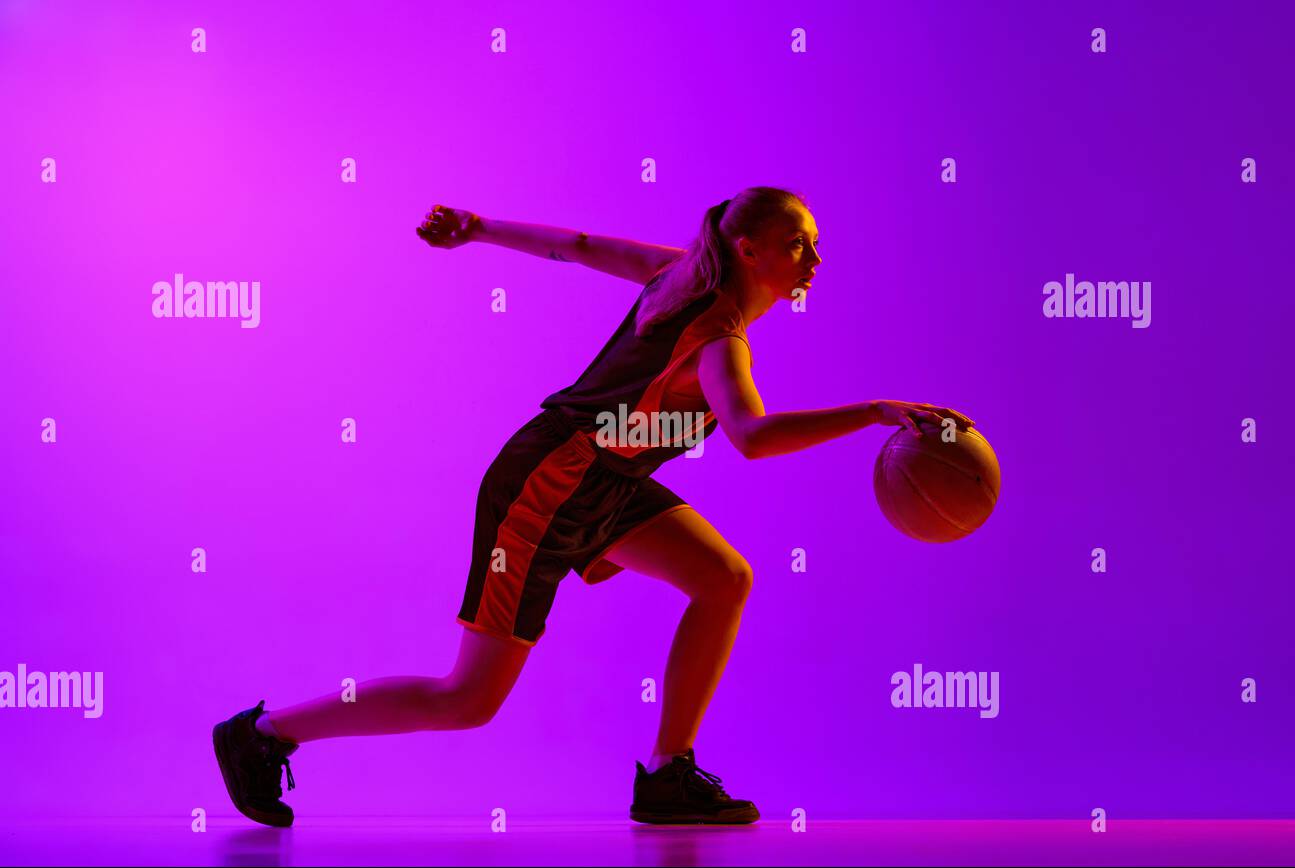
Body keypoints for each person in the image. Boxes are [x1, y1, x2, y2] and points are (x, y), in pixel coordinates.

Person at [212, 185, 975, 827]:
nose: (815, 258)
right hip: (547, 479)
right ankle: (264, 733)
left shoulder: (683, 274)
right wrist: (874, 411)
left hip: (603, 480)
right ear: (748, 249)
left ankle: (668, 774)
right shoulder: (718, 335)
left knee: (723, 578)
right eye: (798, 242)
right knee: (467, 698)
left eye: (814, 243)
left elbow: (575, 244)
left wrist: (480, 230)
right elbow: (750, 435)